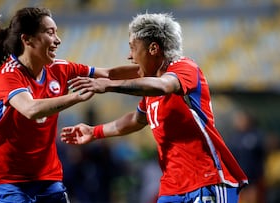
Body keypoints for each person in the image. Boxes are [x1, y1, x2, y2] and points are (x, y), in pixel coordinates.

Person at [0, 7, 138, 203]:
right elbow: (31, 109)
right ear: (27, 39)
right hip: (5, 180)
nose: (58, 39)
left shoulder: (60, 69)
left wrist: (155, 69)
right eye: (50, 32)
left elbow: (110, 74)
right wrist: (76, 97)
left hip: (46, 177)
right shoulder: (9, 74)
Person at [61, 12, 248, 202]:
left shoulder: (184, 68)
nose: (130, 56)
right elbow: (136, 120)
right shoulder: (150, 88)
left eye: (133, 48)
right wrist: (94, 132)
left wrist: (109, 85)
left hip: (207, 180)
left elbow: (164, 86)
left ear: (153, 48)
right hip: (171, 188)